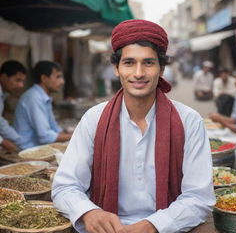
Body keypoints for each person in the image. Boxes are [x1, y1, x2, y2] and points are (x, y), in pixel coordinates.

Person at [52, 19, 215, 233]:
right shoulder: (94, 118)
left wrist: (153, 225)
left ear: (162, 68)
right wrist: (89, 212)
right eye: (129, 63)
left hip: (169, 228)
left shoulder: (189, 121)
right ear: (116, 69)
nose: (138, 73)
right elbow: (65, 186)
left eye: (148, 63)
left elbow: (199, 197)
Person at [14, 61, 72, 149]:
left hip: (37, 147)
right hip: (26, 150)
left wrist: (68, 133)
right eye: (58, 77)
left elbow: (54, 128)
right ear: (44, 78)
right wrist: (74, 135)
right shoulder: (34, 98)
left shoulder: (43, 97)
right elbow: (45, 136)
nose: (62, 81)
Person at [0, 60, 27, 151]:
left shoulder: (3, 94)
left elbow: (1, 123)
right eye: (17, 80)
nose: (21, 85)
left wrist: (19, 141)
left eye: (23, 81)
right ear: (4, 77)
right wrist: (3, 142)